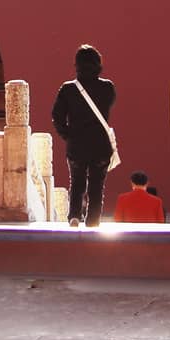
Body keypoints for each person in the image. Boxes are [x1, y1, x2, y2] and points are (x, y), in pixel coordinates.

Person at [50, 44, 116, 228]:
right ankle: (93, 220)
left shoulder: (68, 89)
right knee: (96, 185)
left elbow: (56, 116)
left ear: (77, 64)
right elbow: (109, 104)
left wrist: (67, 134)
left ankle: (74, 216)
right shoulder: (108, 87)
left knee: (77, 182)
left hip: (77, 145)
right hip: (100, 145)